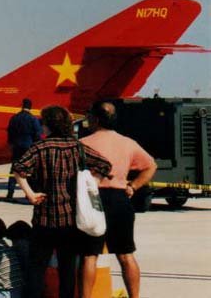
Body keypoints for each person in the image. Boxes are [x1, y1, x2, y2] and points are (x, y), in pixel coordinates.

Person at [13, 105, 111, 298]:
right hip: (70, 219)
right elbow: (105, 164)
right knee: (67, 269)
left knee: (37, 268)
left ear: (47, 124)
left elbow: (19, 168)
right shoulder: (77, 147)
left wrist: (30, 194)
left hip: (44, 218)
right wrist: (93, 183)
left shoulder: (40, 147)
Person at [79, 101, 157, 298]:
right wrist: (133, 186)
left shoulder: (83, 144)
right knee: (126, 254)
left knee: (90, 255)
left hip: (93, 200)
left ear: (96, 119)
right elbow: (150, 165)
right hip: (119, 199)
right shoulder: (128, 142)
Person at [5, 99, 42, 199]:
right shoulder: (33, 119)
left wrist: (11, 144)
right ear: (30, 107)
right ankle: (28, 193)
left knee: (14, 169)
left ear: (22, 106)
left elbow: (10, 132)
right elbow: (37, 134)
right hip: (28, 147)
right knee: (30, 170)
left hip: (16, 146)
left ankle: (10, 193)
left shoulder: (14, 118)